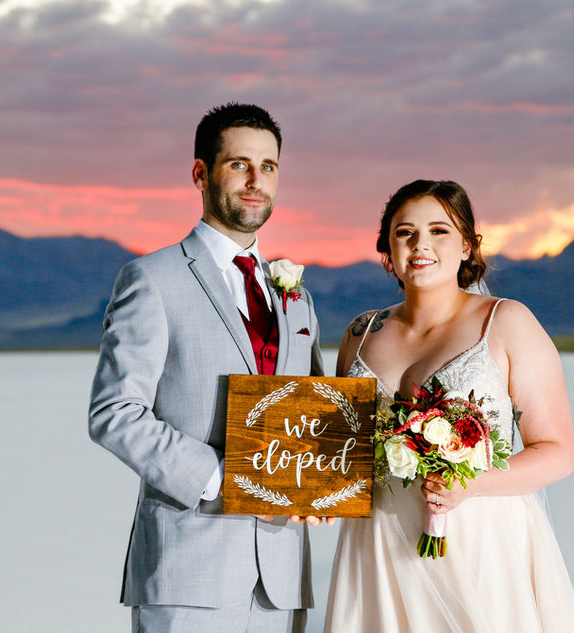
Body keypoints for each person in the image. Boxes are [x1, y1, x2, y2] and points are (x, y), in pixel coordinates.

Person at [88, 103, 326, 633]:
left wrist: (324, 483)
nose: (255, 181)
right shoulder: (152, 279)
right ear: (200, 173)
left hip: (282, 581)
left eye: (268, 167)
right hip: (188, 570)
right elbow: (114, 414)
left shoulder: (296, 297)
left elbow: (309, 418)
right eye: (239, 164)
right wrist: (228, 477)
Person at [325, 180, 574, 632]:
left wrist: (472, 484)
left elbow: (558, 451)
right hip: (379, 541)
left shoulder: (506, 322)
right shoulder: (360, 332)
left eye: (439, 231)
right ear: (387, 245)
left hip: (478, 538)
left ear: (466, 245)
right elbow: (342, 452)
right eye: (404, 232)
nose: (420, 244)